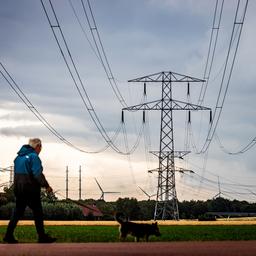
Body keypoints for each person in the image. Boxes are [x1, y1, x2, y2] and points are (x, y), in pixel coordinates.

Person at [3, 138, 56, 243]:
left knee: (17, 212)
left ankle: (8, 235)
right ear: (37, 146)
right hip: (30, 189)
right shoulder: (34, 157)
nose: (41, 150)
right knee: (38, 212)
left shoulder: (18, 158)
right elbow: (37, 174)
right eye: (41, 147)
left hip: (18, 189)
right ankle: (42, 237)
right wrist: (47, 186)